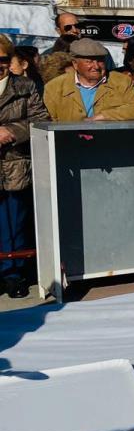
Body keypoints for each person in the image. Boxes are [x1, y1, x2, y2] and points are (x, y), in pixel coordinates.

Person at [0, 35, 50, 297]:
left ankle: (14, 274)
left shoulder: (25, 86)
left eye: (3, 59)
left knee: (15, 222)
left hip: (15, 164)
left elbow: (40, 120)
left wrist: (11, 130)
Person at [44, 39, 134, 121]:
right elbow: (50, 121)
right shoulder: (55, 87)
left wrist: (103, 116)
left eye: (100, 61)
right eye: (89, 61)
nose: (96, 66)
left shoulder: (121, 81)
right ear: (75, 64)